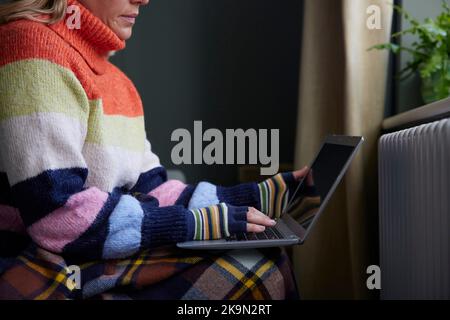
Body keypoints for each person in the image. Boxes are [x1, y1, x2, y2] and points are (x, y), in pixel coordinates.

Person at [0, 0, 305, 299]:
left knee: (267, 255)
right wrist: (198, 225)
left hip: (92, 248)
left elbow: (153, 188)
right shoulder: (32, 47)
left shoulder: (119, 83)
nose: (143, 0)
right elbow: (57, 218)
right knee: (258, 271)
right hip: (40, 260)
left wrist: (268, 195)